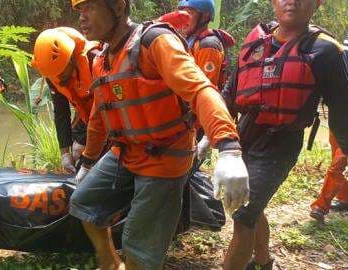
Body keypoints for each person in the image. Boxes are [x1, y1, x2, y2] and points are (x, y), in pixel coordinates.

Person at [69, 0, 249, 269]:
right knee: (84, 204)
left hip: (164, 158)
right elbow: (99, 116)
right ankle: (109, 262)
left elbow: (201, 90)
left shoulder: (155, 41)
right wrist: (87, 160)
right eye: (79, 11)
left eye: (90, 8)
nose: (82, 18)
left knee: (138, 249)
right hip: (125, 153)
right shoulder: (102, 59)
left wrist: (229, 147)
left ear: (118, 7)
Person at [220, 0, 348, 269]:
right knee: (252, 205)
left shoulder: (324, 50)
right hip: (245, 134)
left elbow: (341, 104)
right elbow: (231, 90)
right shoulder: (257, 40)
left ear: (317, 3)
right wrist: (211, 134)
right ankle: (263, 261)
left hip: (281, 142)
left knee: (244, 214)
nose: (293, 2)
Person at [310, 1, 348, 218]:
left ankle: (321, 205)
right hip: (342, 110)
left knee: (341, 159)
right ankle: (347, 197)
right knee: (338, 154)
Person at [32, 27, 101, 174]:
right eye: (54, 74)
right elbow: (61, 111)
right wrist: (65, 153)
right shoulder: (52, 73)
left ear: (71, 59)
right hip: (85, 116)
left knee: (91, 162)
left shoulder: (95, 60)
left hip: (107, 117)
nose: (59, 78)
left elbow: (109, 110)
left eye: (62, 72)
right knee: (75, 159)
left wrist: (86, 148)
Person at [175, 0, 236, 157]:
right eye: (181, 12)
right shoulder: (189, 40)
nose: (183, 18)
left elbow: (204, 90)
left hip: (193, 121)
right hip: (181, 116)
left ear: (205, 17)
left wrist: (191, 127)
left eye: (190, 13)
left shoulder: (208, 45)